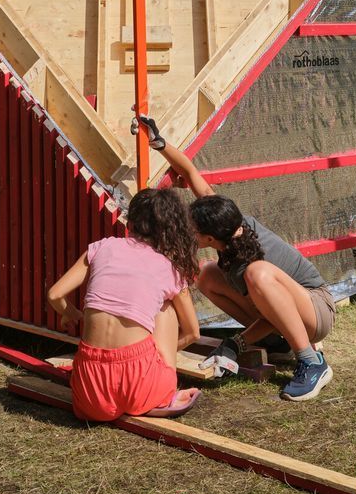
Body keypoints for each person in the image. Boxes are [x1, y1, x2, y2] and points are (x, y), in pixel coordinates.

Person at [138, 114, 336, 402]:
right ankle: (280, 344)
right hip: (284, 312)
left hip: (317, 310)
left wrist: (236, 343)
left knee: (258, 275)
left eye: (193, 230)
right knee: (205, 273)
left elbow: (272, 311)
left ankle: (311, 362)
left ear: (208, 239)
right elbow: (192, 173)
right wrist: (158, 143)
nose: (189, 232)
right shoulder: (227, 221)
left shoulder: (252, 260)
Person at [47, 186, 204, 421]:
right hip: (141, 387)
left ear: (131, 220)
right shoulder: (169, 268)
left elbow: (55, 294)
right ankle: (164, 389)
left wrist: (70, 313)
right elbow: (192, 333)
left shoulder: (102, 247)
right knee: (166, 306)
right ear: (172, 228)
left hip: (91, 392)